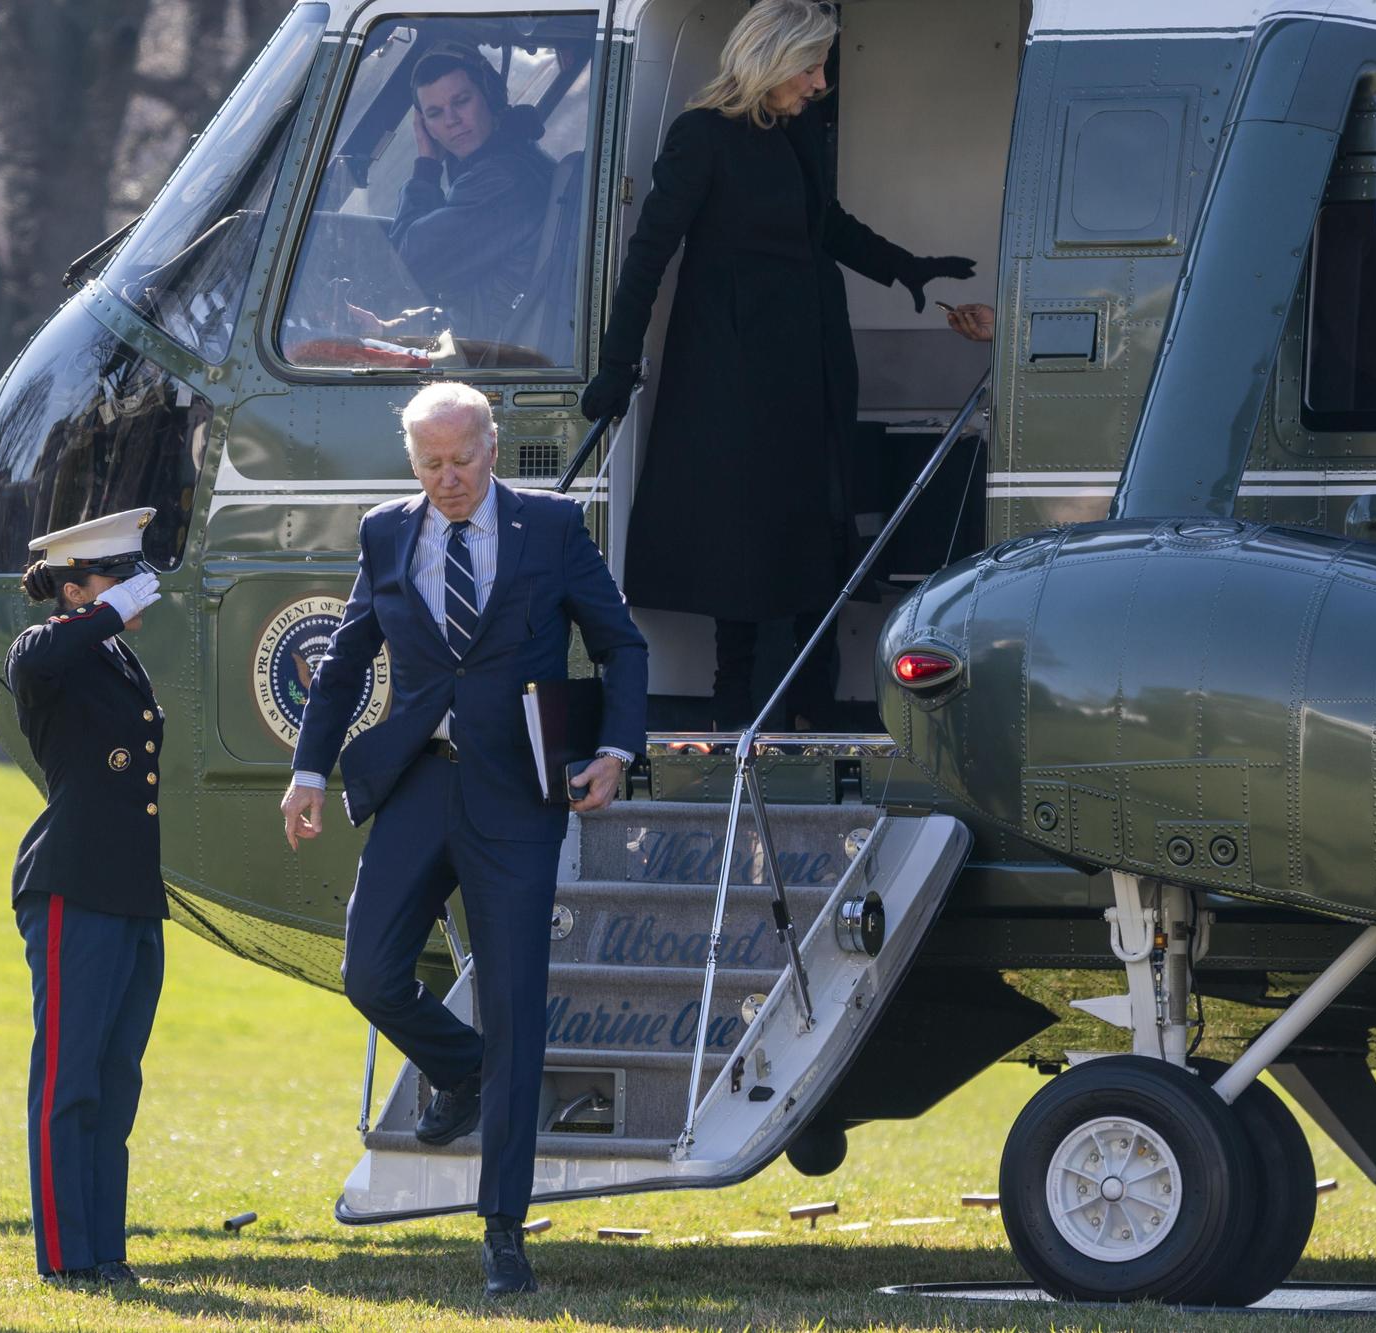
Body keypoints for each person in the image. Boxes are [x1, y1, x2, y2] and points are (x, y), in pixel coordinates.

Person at [278, 382, 648, 1296]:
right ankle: (460, 1067)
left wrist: (616, 748)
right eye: (431, 463)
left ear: (494, 446)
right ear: (413, 463)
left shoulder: (552, 529)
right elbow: (349, 660)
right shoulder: (385, 532)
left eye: (462, 459)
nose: (448, 479)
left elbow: (621, 645)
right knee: (367, 971)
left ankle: (503, 1231)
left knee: (517, 1007)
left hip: (517, 797)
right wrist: (309, 769)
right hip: (416, 783)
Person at [580, 0, 987, 729]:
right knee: (741, 542)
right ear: (768, 60)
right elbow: (649, 255)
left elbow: (825, 224)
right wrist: (617, 364)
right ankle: (736, 719)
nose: (820, 82)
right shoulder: (701, 137)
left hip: (811, 363)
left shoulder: (792, 135)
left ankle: (811, 711)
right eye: (810, 66)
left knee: (813, 533)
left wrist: (909, 270)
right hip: (733, 374)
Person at [5, 507, 168, 1288]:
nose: (135, 591)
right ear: (75, 589)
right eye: (117, 575)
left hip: (130, 892)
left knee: (115, 1078)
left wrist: (109, 612)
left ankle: (106, 1250)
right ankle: (66, 1257)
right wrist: (105, 610)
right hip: (73, 885)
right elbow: (41, 653)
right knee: (69, 1081)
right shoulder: (49, 650)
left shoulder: (114, 662)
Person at [363, 45, 558, 347]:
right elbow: (476, 298)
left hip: (488, 359)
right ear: (427, 127)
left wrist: (427, 166)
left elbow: (410, 270)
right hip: (484, 344)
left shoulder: (502, 181)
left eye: (461, 101)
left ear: (491, 99)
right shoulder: (510, 162)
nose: (451, 119)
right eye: (435, 113)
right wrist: (388, 329)